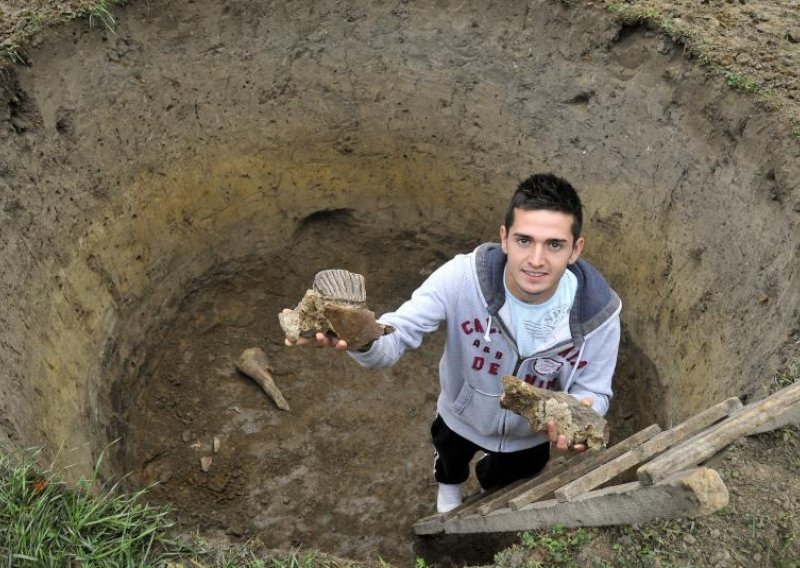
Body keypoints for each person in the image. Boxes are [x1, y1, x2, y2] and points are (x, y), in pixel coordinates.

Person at [284, 173, 621, 513]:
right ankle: (449, 491)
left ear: (575, 249)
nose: (536, 259)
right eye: (524, 240)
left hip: (528, 437)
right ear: (504, 239)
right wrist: (360, 337)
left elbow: (595, 390)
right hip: (460, 414)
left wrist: (581, 416)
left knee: (507, 478)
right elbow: (396, 334)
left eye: (554, 244)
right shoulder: (461, 278)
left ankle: (488, 489)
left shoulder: (598, 314)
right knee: (449, 458)